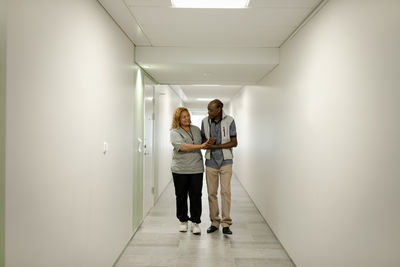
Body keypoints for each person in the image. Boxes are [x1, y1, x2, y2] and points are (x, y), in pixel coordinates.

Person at [170, 107, 210, 235]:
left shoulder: (196, 129)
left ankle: (195, 222)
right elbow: (182, 146)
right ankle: (183, 221)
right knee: (181, 196)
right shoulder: (174, 132)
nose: (187, 119)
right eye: (183, 117)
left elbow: (204, 141)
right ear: (178, 119)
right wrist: (200, 146)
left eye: (188, 116)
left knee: (196, 195)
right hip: (180, 169)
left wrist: (209, 142)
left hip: (196, 168)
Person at [201, 99, 237, 235]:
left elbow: (234, 142)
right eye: (208, 109)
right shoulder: (205, 121)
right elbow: (202, 140)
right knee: (211, 193)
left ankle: (226, 223)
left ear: (219, 109)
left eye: (211, 109)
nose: (208, 112)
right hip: (210, 162)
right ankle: (215, 222)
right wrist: (207, 142)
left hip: (226, 161)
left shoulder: (230, 120)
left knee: (226, 192)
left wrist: (216, 146)